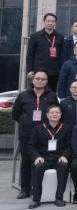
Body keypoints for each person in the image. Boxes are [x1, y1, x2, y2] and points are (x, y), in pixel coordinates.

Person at [12, 71, 58, 200]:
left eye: (43, 79)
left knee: (41, 160)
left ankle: (37, 188)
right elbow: (15, 113)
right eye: (37, 78)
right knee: (26, 161)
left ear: (46, 82)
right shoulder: (23, 96)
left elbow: (56, 112)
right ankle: (25, 189)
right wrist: (24, 122)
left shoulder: (51, 96)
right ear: (33, 80)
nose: (40, 81)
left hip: (45, 134)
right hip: (27, 134)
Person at [28, 104, 70, 208]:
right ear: (47, 115)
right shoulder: (38, 128)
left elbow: (69, 145)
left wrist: (65, 155)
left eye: (57, 112)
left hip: (58, 157)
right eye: (52, 113)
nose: (55, 114)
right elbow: (31, 146)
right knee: (37, 167)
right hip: (44, 157)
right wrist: (37, 156)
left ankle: (59, 198)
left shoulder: (66, 128)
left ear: (61, 114)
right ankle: (36, 199)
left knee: (64, 165)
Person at [26, 13, 64, 91]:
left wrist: (61, 70)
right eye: (48, 21)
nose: (50, 23)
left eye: (52, 21)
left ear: (55, 23)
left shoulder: (60, 37)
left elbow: (62, 55)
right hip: (38, 71)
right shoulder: (35, 36)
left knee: (51, 94)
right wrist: (30, 70)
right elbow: (30, 55)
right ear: (44, 22)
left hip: (54, 72)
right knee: (37, 92)